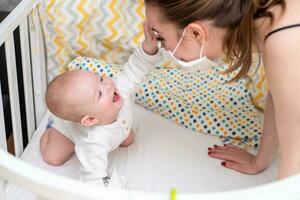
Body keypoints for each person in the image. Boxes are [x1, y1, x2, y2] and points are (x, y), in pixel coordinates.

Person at [143, 0, 300, 179]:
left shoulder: (283, 42)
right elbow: (282, 97)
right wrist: (260, 161)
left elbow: (294, 164)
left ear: (195, 33)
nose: (160, 45)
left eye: (160, 37)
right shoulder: (268, 19)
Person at [40, 22, 159, 186]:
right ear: (90, 120)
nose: (108, 86)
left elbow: (135, 68)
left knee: (128, 139)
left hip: (116, 124)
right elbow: (92, 177)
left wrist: (148, 47)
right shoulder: (93, 142)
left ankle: (121, 132)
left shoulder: (119, 89)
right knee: (53, 158)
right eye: (100, 93)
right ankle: (52, 127)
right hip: (66, 130)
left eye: (100, 79)